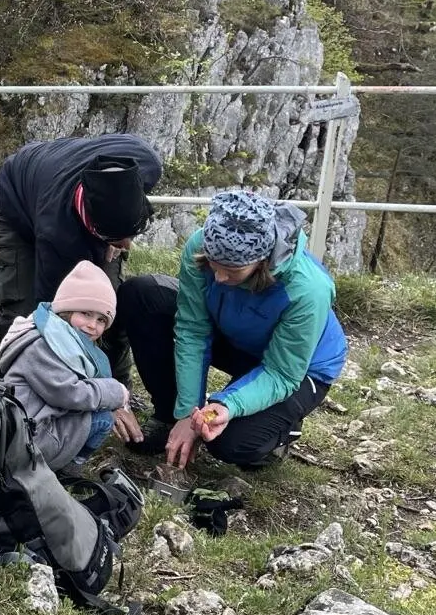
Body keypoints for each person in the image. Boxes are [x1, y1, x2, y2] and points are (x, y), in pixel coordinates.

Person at [124, 190, 349, 469]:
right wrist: (188, 414)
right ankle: (169, 418)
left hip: (298, 368)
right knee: (143, 295)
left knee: (229, 442)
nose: (219, 278)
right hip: (236, 337)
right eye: (214, 266)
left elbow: (281, 372)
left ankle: (280, 431)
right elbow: (193, 330)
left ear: (261, 262)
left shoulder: (308, 290)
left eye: (231, 271)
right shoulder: (202, 246)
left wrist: (227, 405)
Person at [0, 135, 163, 386]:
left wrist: (113, 237)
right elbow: (48, 315)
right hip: (14, 201)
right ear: (94, 229)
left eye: (131, 234)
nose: (127, 245)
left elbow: (118, 212)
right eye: (117, 239)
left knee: (107, 306)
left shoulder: (146, 162)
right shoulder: (57, 234)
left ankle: (115, 385)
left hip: (58, 183)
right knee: (24, 309)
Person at [0, 261, 144, 472]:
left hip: (35, 424)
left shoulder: (63, 341)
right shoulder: (42, 344)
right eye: (85, 313)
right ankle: (66, 472)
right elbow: (68, 393)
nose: (92, 325)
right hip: (28, 437)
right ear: (65, 311)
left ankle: (62, 469)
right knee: (103, 420)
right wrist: (114, 392)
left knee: (100, 412)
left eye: (101, 320)